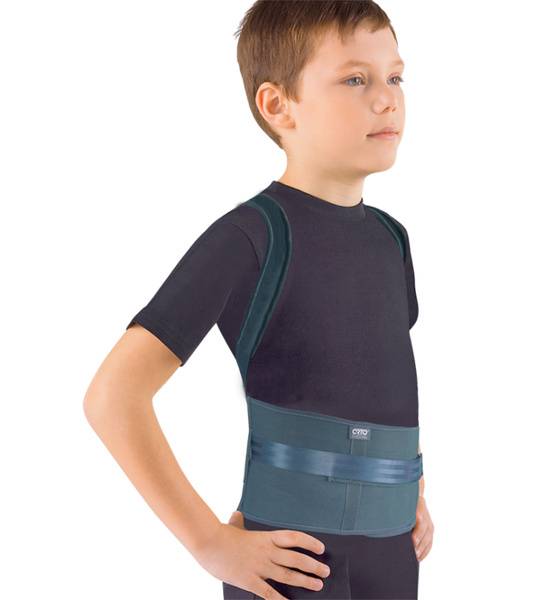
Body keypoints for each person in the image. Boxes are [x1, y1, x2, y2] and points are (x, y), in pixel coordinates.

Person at [83, 1, 434, 598]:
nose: (387, 100)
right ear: (277, 106)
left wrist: (410, 489)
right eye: (356, 80)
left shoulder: (389, 239)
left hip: (395, 551)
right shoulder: (250, 237)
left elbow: (378, 384)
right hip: (290, 565)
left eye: (395, 77)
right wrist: (210, 544)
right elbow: (113, 397)